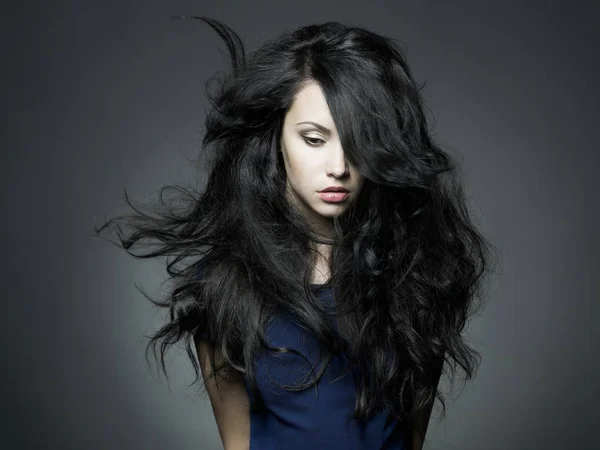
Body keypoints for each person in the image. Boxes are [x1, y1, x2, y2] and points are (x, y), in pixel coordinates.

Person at [94, 16, 498, 450]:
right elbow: (239, 444)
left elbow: (411, 441)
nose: (339, 166)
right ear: (276, 139)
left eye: (358, 141)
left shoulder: (417, 282)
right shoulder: (224, 287)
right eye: (313, 138)